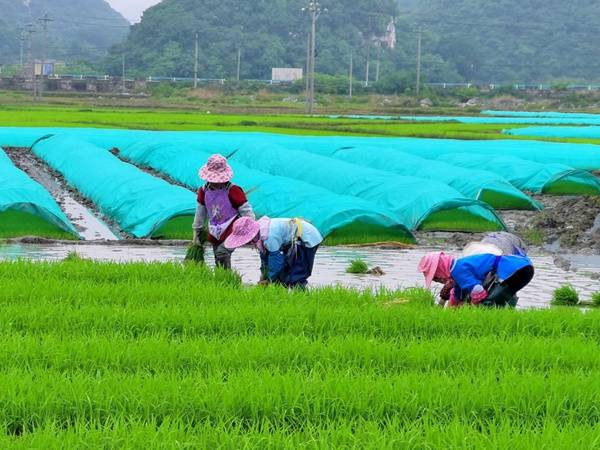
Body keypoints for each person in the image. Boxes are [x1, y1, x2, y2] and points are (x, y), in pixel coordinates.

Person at [192, 154, 254, 269]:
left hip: (233, 228)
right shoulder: (203, 191)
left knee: (222, 252)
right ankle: (225, 280)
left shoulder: (233, 190)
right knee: (218, 258)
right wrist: (197, 233)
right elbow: (200, 212)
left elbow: (246, 210)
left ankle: (227, 279)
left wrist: (250, 228)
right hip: (215, 229)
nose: (215, 182)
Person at [224, 216, 323, 288]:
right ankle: (284, 296)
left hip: (307, 239)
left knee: (297, 274)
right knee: (284, 274)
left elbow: (276, 261)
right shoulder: (260, 235)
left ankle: (302, 299)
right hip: (293, 240)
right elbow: (265, 257)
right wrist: (264, 275)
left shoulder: (269, 236)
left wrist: (269, 280)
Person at [418, 249, 534, 308]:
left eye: (436, 278)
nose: (439, 281)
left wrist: (474, 308)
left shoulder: (458, 269)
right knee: (498, 300)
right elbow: (458, 296)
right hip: (521, 266)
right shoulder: (458, 268)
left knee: (488, 305)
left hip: (517, 269)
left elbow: (478, 291)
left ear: (440, 269)